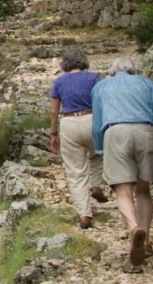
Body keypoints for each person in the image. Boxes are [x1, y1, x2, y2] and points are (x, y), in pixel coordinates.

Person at [91, 56, 153, 267]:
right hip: (146, 131)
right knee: (143, 190)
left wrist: (101, 149)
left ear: (111, 72)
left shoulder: (101, 87)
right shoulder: (147, 83)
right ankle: (145, 239)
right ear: (134, 71)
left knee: (123, 190)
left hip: (116, 132)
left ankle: (133, 228)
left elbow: (96, 122)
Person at [49, 48, 106, 228]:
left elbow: (54, 110)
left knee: (75, 171)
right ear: (83, 61)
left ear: (65, 63)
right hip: (92, 119)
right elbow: (102, 102)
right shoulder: (94, 78)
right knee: (98, 153)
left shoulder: (59, 82)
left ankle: (84, 214)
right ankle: (96, 185)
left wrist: (54, 134)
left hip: (69, 123)